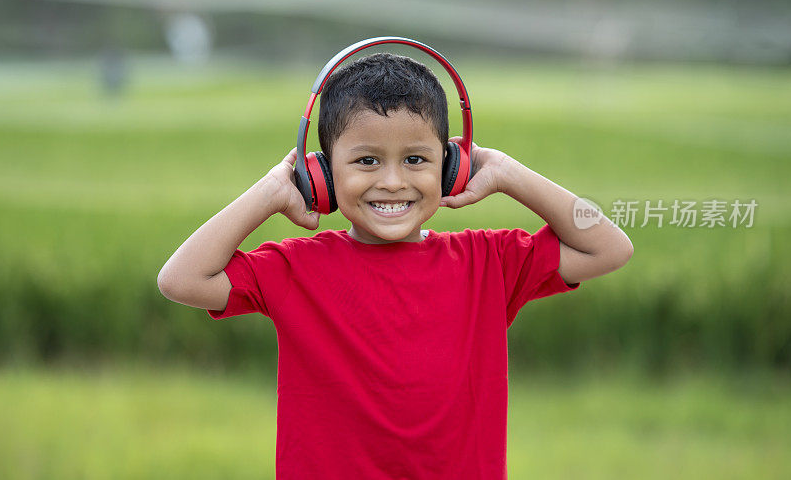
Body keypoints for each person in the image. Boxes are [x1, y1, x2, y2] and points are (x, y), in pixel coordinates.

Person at [157, 52, 633, 479]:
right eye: (366, 160)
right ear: (320, 173)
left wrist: (509, 172)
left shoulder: (490, 262)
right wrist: (272, 191)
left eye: (415, 159)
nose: (391, 181)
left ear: (451, 166)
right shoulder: (295, 269)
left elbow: (609, 247)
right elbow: (180, 279)